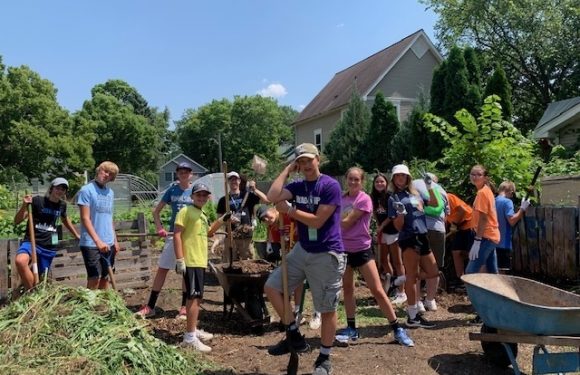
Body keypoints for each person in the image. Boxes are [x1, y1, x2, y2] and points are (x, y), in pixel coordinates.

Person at [264, 143, 346, 375]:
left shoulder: (330, 185)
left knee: (327, 308)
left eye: (310, 160)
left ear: (318, 159)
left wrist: (289, 210)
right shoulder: (297, 185)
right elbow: (271, 196)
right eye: (301, 161)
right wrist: (287, 169)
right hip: (303, 249)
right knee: (272, 287)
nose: (307, 165)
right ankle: (293, 334)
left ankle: (324, 358)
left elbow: (317, 221)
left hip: (327, 252)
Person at [335, 167, 414, 347]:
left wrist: (330, 218)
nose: (353, 182)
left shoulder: (364, 199)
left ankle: (397, 329)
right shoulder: (341, 198)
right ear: (346, 179)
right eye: (351, 179)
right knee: (347, 290)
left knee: (377, 290)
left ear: (362, 182)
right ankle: (351, 328)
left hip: (362, 249)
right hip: (343, 250)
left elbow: (346, 223)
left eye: (357, 179)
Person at [174, 183, 230, 352]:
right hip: (190, 261)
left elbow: (209, 233)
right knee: (192, 299)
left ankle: (193, 329)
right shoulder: (185, 211)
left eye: (205, 195)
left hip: (200, 261)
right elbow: (177, 234)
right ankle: (189, 338)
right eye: (198, 195)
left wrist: (221, 220)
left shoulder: (202, 213)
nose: (201, 198)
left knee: (197, 299)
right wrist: (179, 259)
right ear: (192, 196)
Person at [137, 162, 194, 319]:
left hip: (189, 237)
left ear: (191, 174)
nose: (183, 174)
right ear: (177, 174)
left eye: (186, 171)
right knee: (162, 268)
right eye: (180, 171)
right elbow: (156, 211)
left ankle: (183, 307)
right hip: (172, 234)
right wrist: (159, 228)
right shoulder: (172, 190)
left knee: (185, 271)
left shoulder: (195, 191)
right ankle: (151, 306)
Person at [387, 164, 439, 328]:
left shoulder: (415, 193)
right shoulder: (393, 198)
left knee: (433, 272)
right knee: (412, 277)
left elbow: (434, 203)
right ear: (394, 179)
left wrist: (430, 186)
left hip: (422, 235)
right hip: (409, 237)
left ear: (407, 177)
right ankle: (412, 316)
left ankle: (398, 279)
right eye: (397, 176)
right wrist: (401, 214)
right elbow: (398, 226)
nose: (400, 178)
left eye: (403, 175)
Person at [257, 204, 322, 329]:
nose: (266, 219)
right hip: (294, 256)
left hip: (309, 249)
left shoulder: (286, 215)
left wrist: (298, 229)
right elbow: (281, 245)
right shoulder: (274, 228)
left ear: (272, 210)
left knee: (315, 282)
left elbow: (306, 222)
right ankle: (298, 312)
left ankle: (317, 313)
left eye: (266, 215)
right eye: (263, 219)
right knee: (298, 283)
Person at [14, 178, 80, 290]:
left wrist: (76, 234)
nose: (60, 191)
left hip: (49, 246)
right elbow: (17, 221)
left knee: (41, 277)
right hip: (32, 242)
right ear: (51, 188)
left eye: (63, 189)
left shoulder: (62, 205)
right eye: (57, 188)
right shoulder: (37, 201)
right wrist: (24, 205)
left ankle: (31, 293)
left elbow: (65, 219)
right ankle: (32, 293)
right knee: (20, 261)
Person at [77, 161, 120, 290]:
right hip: (91, 243)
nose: (106, 175)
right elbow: (85, 218)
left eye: (110, 174)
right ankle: (89, 308)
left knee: (105, 277)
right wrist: (98, 241)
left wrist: (115, 240)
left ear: (112, 178)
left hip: (108, 241)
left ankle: (102, 307)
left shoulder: (110, 193)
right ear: (99, 170)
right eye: (105, 171)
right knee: (94, 277)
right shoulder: (86, 190)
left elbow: (109, 217)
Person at [412, 173, 448, 312]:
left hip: (420, 229)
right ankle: (430, 300)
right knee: (435, 267)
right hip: (438, 231)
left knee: (417, 267)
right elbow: (445, 215)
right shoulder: (443, 191)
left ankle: (417, 301)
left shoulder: (414, 185)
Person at [370, 172, 407, 305]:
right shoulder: (373, 197)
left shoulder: (390, 196)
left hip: (393, 232)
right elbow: (375, 213)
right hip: (383, 232)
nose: (379, 184)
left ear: (386, 183)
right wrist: (378, 227)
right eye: (377, 182)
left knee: (397, 261)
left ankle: (402, 292)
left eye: (382, 182)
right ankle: (391, 285)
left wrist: (381, 227)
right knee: (384, 261)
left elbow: (391, 216)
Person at [217, 171, 268, 263]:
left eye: (236, 179)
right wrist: (227, 221)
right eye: (231, 179)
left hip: (246, 236)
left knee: (248, 263)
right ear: (227, 182)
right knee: (229, 262)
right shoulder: (223, 200)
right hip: (230, 236)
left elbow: (266, 200)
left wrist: (255, 189)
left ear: (239, 181)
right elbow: (219, 219)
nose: (234, 182)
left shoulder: (247, 196)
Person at [465, 165, 500, 275]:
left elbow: (483, 218)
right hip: (491, 236)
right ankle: (498, 292)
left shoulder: (482, 193)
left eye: (479, 175)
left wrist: (477, 241)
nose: (475, 177)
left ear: (485, 177)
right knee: (492, 273)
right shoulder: (485, 191)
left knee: (470, 272)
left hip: (486, 237)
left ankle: (475, 293)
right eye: (473, 174)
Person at [495, 181, 530, 273]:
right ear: (510, 191)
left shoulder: (493, 201)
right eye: (512, 193)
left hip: (492, 242)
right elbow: (512, 221)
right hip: (503, 243)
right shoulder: (507, 202)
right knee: (502, 274)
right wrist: (522, 209)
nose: (512, 196)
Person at [445, 193, 475, 281]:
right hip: (459, 227)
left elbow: (462, 210)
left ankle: (473, 279)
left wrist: (454, 224)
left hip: (469, 223)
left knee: (471, 253)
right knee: (456, 252)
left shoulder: (448, 197)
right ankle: (461, 279)